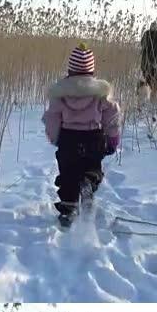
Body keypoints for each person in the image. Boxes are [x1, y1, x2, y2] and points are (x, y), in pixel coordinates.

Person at [42, 43, 123, 228]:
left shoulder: (60, 94)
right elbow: (112, 114)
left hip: (68, 140)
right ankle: (89, 180)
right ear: (91, 71)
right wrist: (112, 138)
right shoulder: (100, 93)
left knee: (68, 175)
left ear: (70, 70)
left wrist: (54, 137)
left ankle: (68, 209)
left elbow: (52, 117)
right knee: (92, 166)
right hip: (93, 137)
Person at [139, 22, 157, 99]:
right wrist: (146, 43)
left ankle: (153, 97)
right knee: (146, 77)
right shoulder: (146, 35)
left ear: (156, 28)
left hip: (155, 63)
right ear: (150, 26)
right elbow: (142, 44)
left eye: (155, 26)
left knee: (154, 79)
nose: (153, 27)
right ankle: (144, 95)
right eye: (152, 26)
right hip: (146, 62)